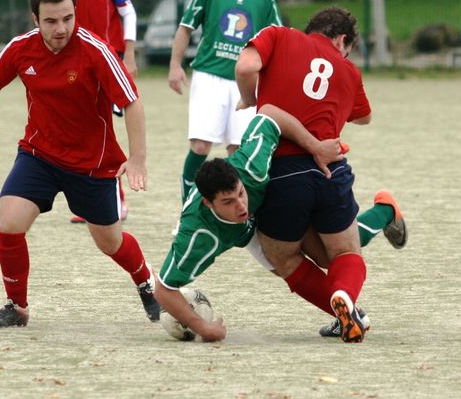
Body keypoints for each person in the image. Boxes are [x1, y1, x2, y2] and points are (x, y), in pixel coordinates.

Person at [0, 0, 160, 328]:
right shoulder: (20, 49)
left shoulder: (95, 50)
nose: (61, 28)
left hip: (92, 164)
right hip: (39, 155)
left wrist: (137, 159)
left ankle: (147, 282)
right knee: (9, 222)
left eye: (68, 18)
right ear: (35, 19)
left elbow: (132, 103)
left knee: (109, 242)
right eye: (51, 21)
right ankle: (17, 306)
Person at [153, 104, 407, 342]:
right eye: (228, 202)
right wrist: (203, 328)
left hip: (274, 197)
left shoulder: (251, 166)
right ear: (209, 204)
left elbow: (270, 114)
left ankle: (384, 213)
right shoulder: (199, 234)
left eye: (240, 194)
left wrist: (315, 146)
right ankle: (352, 313)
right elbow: (163, 289)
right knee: (292, 266)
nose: (241, 206)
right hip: (243, 234)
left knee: (329, 255)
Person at [235, 6, 373, 343]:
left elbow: (246, 65)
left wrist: (249, 99)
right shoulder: (349, 70)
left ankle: (339, 308)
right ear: (343, 40)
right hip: (332, 169)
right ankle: (345, 298)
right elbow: (364, 117)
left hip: (283, 170)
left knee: (283, 255)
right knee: (344, 253)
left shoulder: (279, 35)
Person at [168, 0, 282, 209]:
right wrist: (175, 64)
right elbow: (186, 27)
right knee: (200, 146)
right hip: (209, 77)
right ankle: (188, 211)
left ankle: (234, 214)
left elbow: (279, 42)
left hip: (245, 83)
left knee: (237, 152)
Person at [50, 0, 137, 222]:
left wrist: (129, 53)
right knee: (78, 130)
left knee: (104, 129)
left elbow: (128, 12)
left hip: (105, 62)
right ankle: (89, 201)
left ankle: (117, 200)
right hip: (71, 67)